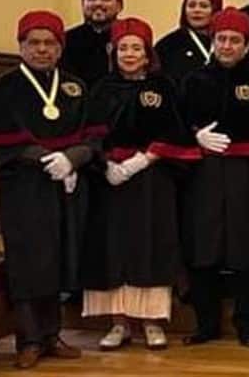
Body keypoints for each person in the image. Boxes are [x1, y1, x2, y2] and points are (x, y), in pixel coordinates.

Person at [0, 11, 92, 369]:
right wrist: (45, 158)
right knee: (27, 260)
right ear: (20, 45)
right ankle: (29, 338)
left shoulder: (74, 87)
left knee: (57, 256)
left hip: (65, 184)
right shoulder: (1, 89)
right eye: (34, 43)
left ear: (60, 47)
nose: (42, 50)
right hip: (23, 188)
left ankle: (52, 334)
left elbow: (92, 135)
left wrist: (73, 159)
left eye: (49, 43)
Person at [81, 18, 199, 351]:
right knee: (112, 247)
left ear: (148, 54)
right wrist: (106, 165)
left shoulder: (163, 89)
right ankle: (118, 323)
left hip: (151, 178)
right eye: (123, 48)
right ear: (113, 51)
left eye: (136, 48)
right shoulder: (101, 90)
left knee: (151, 244)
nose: (130, 54)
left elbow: (175, 133)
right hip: (109, 180)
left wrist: (142, 161)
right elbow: (89, 133)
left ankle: (151, 322)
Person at [180, 7, 249, 347]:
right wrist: (195, 135)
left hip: (245, 174)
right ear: (213, 41)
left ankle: (246, 326)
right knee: (203, 249)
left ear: (247, 45)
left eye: (235, 40)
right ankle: (206, 324)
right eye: (221, 39)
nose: (227, 45)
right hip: (203, 174)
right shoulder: (193, 82)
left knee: (244, 249)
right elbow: (177, 125)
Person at [61, 0, 124, 87]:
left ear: (119, 6)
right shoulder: (67, 40)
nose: (98, 3)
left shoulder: (129, 38)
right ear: (83, 4)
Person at [155, 0, 223, 84]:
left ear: (215, 10)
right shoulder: (167, 46)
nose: (197, 10)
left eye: (204, 6)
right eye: (191, 5)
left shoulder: (225, 43)